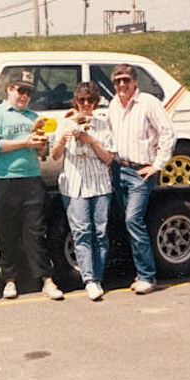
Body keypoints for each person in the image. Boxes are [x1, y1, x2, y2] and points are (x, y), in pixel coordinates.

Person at [0, 70, 64, 301]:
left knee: (36, 232)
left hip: (31, 179)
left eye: (29, 92)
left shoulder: (34, 117)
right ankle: (9, 280)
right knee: (6, 233)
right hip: (4, 179)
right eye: (21, 90)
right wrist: (25, 142)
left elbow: (42, 153)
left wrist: (41, 145)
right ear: (9, 89)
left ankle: (46, 279)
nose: (24, 96)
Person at [107, 64, 176, 295]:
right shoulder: (113, 105)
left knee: (133, 220)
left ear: (135, 81)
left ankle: (148, 276)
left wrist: (157, 165)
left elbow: (168, 132)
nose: (122, 84)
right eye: (117, 80)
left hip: (140, 173)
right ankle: (138, 271)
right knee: (128, 223)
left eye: (126, 80)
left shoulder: (148, 103)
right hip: (119, 170)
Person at [51, 82, 115, 301]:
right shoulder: (65, 122)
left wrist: (91, 140)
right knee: (81, 232)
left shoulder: (102, 124)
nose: (86, 104)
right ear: (76, 102)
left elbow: (108, 157)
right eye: (82, 100)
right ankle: (89, 280)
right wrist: (63, 139)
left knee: (100, 232)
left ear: (96, 103)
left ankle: (97, 277)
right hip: (74, 185)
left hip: (99, 184)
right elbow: (55, 156)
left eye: (90, 100)